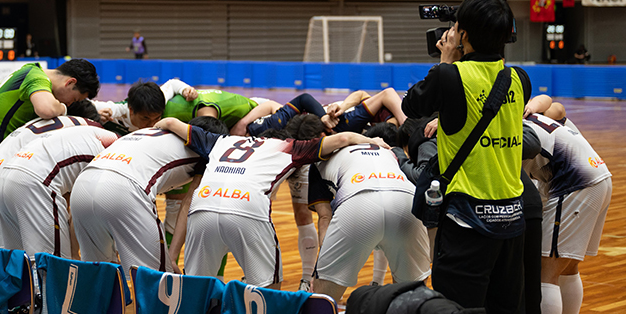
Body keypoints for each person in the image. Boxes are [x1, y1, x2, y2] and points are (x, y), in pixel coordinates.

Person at [402, 0, 531, 314]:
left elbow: (412, 106)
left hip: (467, 221)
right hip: (512, 220)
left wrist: (445, 60)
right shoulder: (518, 79)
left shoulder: (450, 75)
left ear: (464, 35)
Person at [154, 115, 384, 288]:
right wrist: (372, 140)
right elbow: (343, 138)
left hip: (202, 207)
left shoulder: (223, 140)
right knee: (268, 287)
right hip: (246, 207)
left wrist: (150, 132)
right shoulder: (290, 146)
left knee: (196, 288)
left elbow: (170, 123)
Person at [0, 59, 100, 241]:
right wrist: (63, 108)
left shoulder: (28, 74)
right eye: (73, 99)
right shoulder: (36, 77)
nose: (69, 104)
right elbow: (47, 109)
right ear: (70, 82)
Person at [70, 115, 228, 276]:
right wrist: (172, 256)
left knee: (98, 274)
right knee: (155, 279)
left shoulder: (148, 134)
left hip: (82, 186)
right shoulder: (207, 148)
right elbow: (188, 203)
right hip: (124, 188)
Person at [522, 102, 612, 314]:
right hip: (599, 176)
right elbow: (556, 106)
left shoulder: (511, 130)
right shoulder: (534, 114)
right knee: (568, 268)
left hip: (575, 184)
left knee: (545, 274)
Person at [308, 121, 430, 302]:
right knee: (412, 298)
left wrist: (322, 268)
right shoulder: (388, 150)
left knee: (322, 300)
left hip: (358, 202)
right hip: (406, 200)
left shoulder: (319, 160)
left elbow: (325, 217)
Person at [0, 125, 117, 257]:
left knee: (15, 260)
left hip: (6, 174)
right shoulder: (108, 156)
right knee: (51, 262)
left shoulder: (87, 134)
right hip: (35, 179)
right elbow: (84, 210)